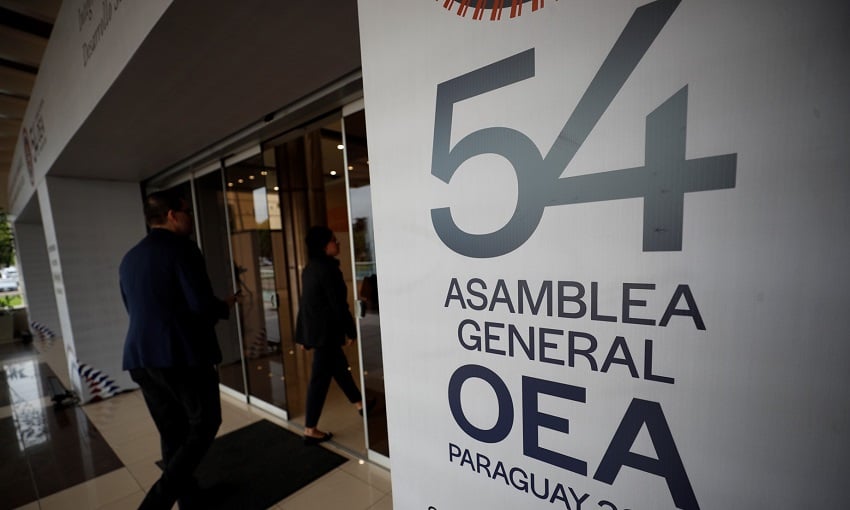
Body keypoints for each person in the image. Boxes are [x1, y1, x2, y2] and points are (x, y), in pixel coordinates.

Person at [120, 190, 237, 510]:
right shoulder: (183, 249)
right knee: (205, 423)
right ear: (172, 214)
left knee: (173, 432)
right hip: (180, 356)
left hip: (141, 357)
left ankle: (189, 497)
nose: (191, 219)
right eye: (186, 211)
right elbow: (199, 305)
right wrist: (224, 307)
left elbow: (135, 307)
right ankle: (156, 502)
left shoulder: (130, 257)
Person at [295, 226, 368, 444]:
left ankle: (359, 404)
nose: (338, 243)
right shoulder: (328, 270)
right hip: (326, 334)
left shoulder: (310, 269)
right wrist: (350, 330)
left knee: (338, 367)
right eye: (334, 240)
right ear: (324, 245)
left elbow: (305, 305)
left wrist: (303, 336)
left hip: (318, 334)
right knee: (320, 380)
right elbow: (338, 306)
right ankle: (310, 429)